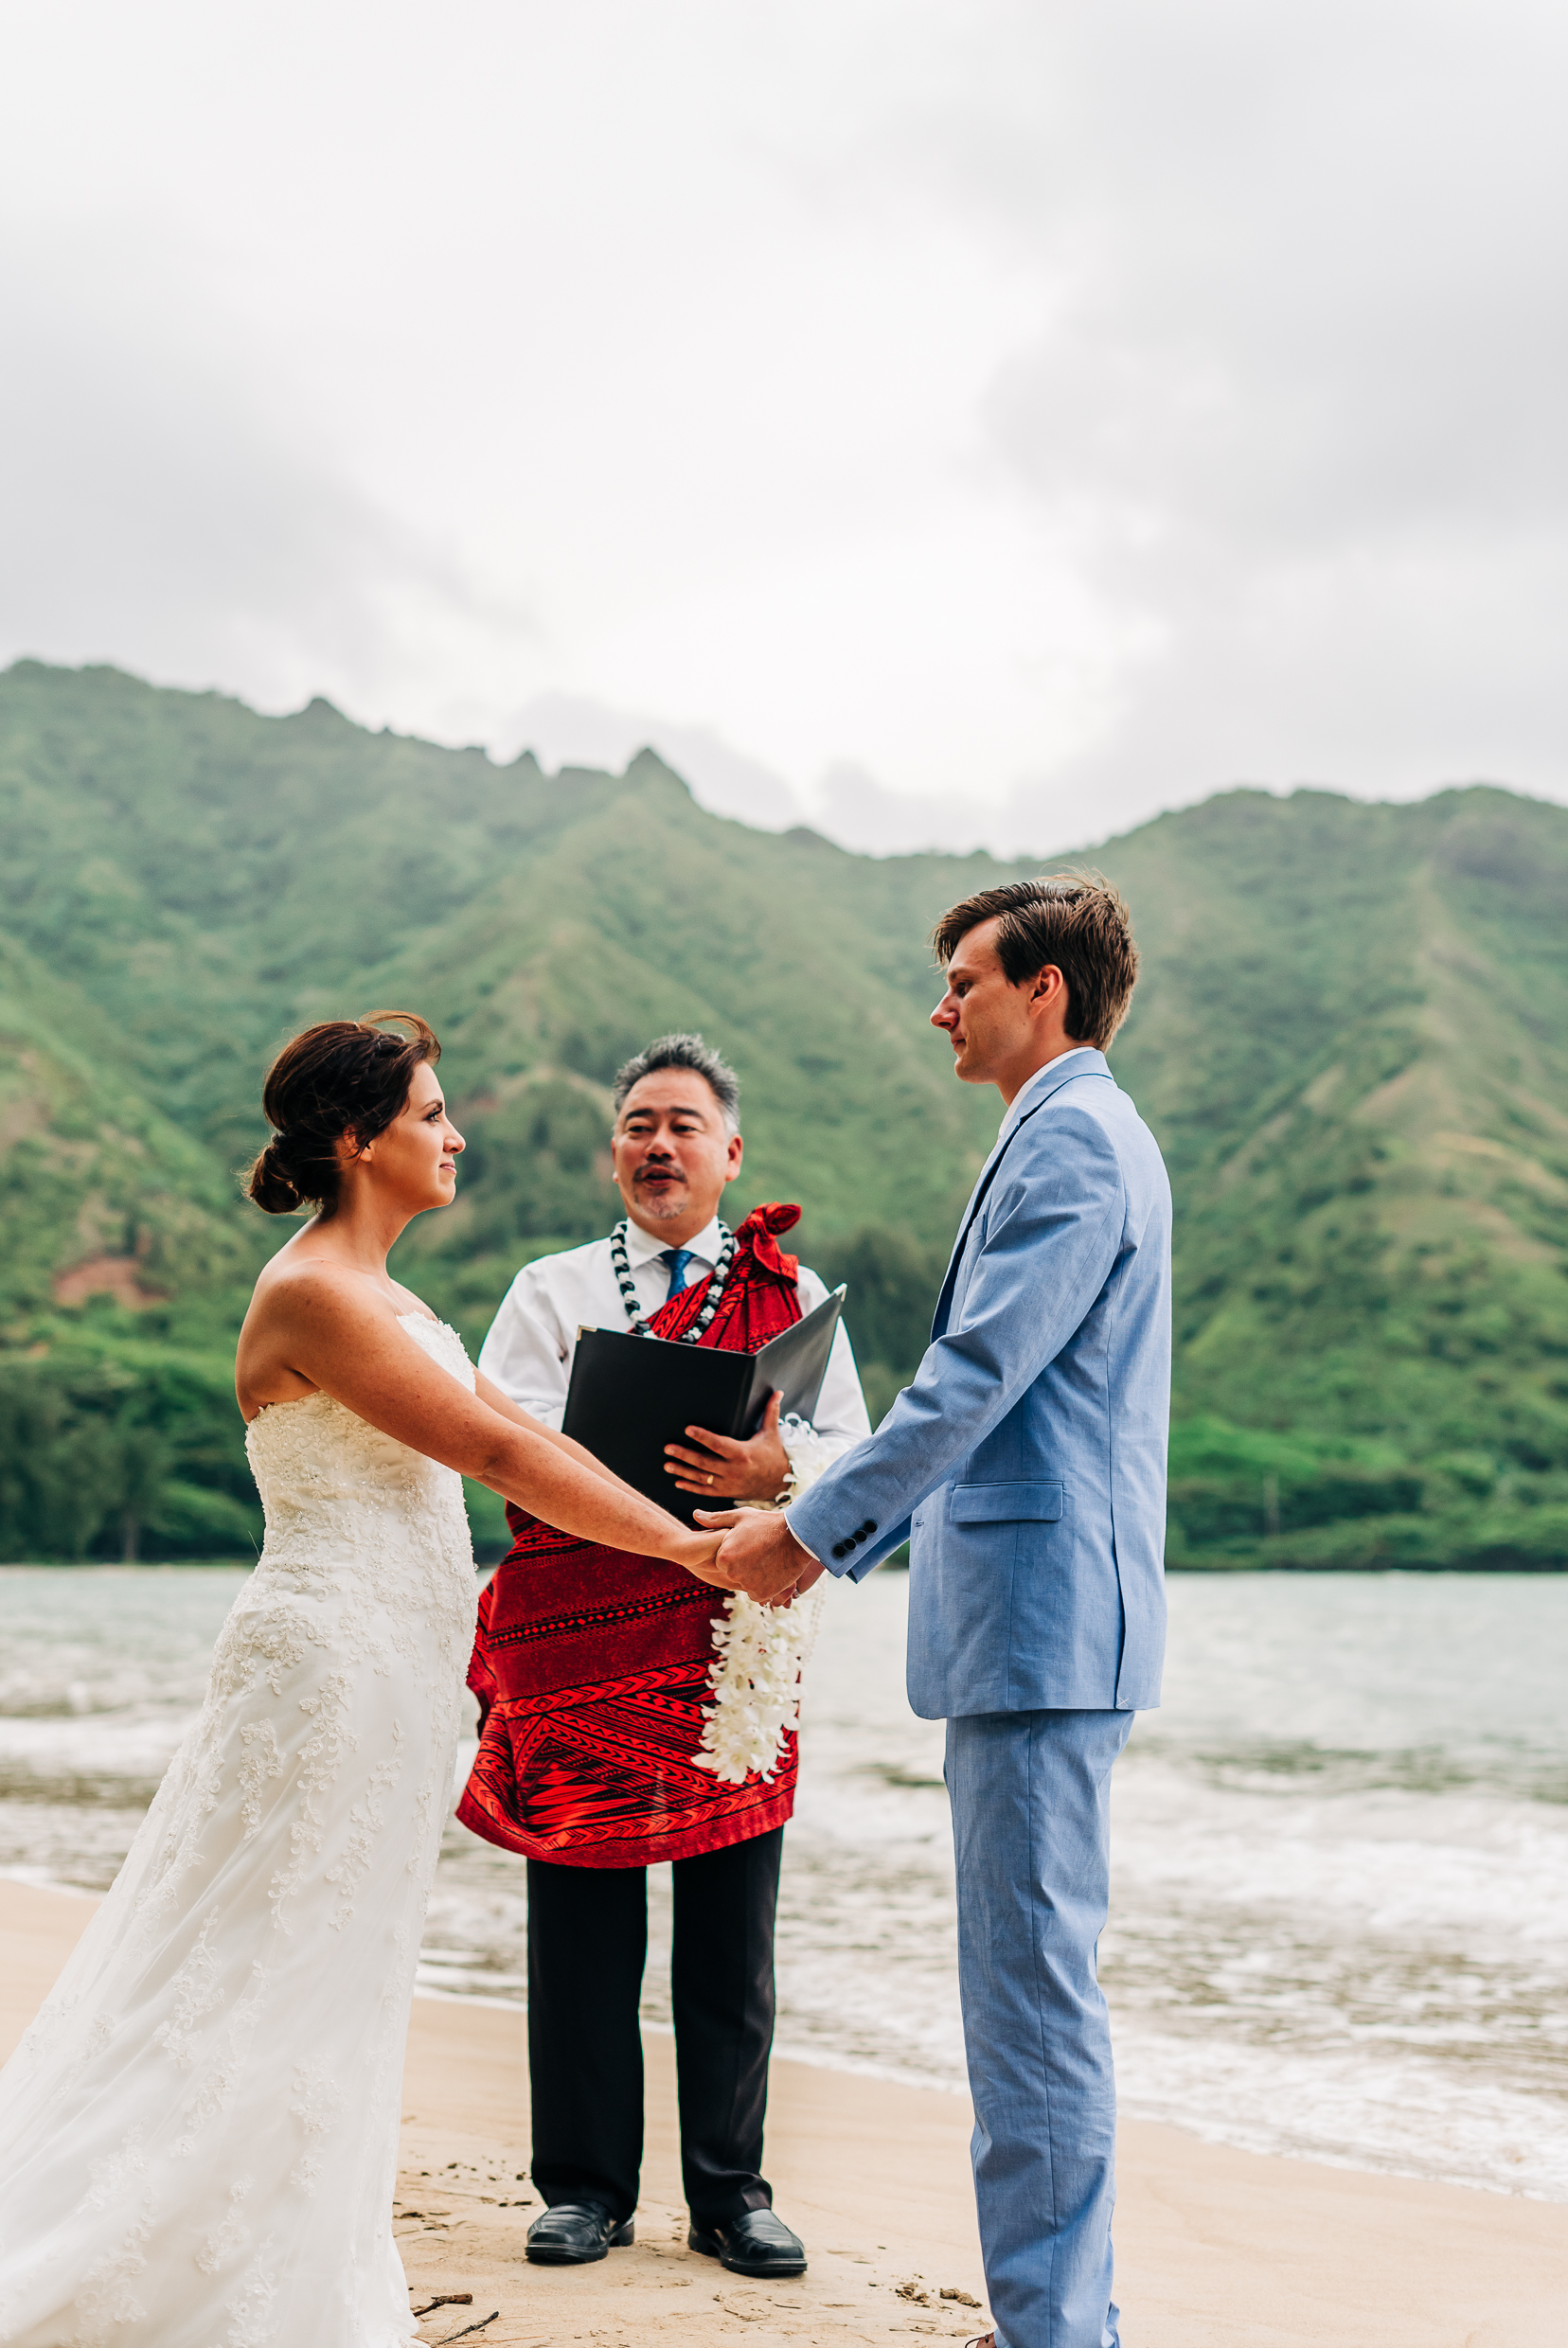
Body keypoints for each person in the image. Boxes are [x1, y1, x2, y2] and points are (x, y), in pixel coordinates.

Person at [0, 1013, 723, 2348]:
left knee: (338, 1967)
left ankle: (293, 2244)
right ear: (353, 1138)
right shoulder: (317, 1296)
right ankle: (159, 2264)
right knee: (256, 1961)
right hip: (324, 1679)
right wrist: (693, 1552)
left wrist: (716, 1509)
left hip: (395, 1685)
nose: (456, 1133)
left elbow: (521, 1427)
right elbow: (500, 1462)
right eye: (432, 1112)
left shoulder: (391, 1299)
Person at [700, 880, 1171, 2348]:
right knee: (1027, 1984)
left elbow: (977, 1380)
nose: (939, 1005)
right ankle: (1056, 2313)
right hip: (1038, 1625)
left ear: (1045, 989)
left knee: (1027, 1997)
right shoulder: (1068, 1132)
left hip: (1041, 1627)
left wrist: (812, 1535)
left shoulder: (1078, 1144)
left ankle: (1052, 2332)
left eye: (963, 979)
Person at [457, 1031, 870, 2281]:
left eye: (684, 1124)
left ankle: (731, 2192)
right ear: (614, 1152)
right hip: (581, 1641)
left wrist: (773, 1466)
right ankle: (584, 2189)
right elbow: (497, 1429)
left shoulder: (793, 1297)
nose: (659, 1143)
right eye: (638, 1123)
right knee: (581, 1919)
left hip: (730, 1649)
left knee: (730, 1936)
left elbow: (854, 1448)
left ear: (731, 1153)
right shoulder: (552, 1288)